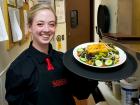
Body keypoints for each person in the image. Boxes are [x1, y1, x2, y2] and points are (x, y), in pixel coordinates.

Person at [5, 3, 99, 105]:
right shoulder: (18, 68)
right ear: (29, 27)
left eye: (51, 24)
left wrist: (93, 70)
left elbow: (81, 93)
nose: (46, 29)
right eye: (40, 24)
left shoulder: (65, 60)